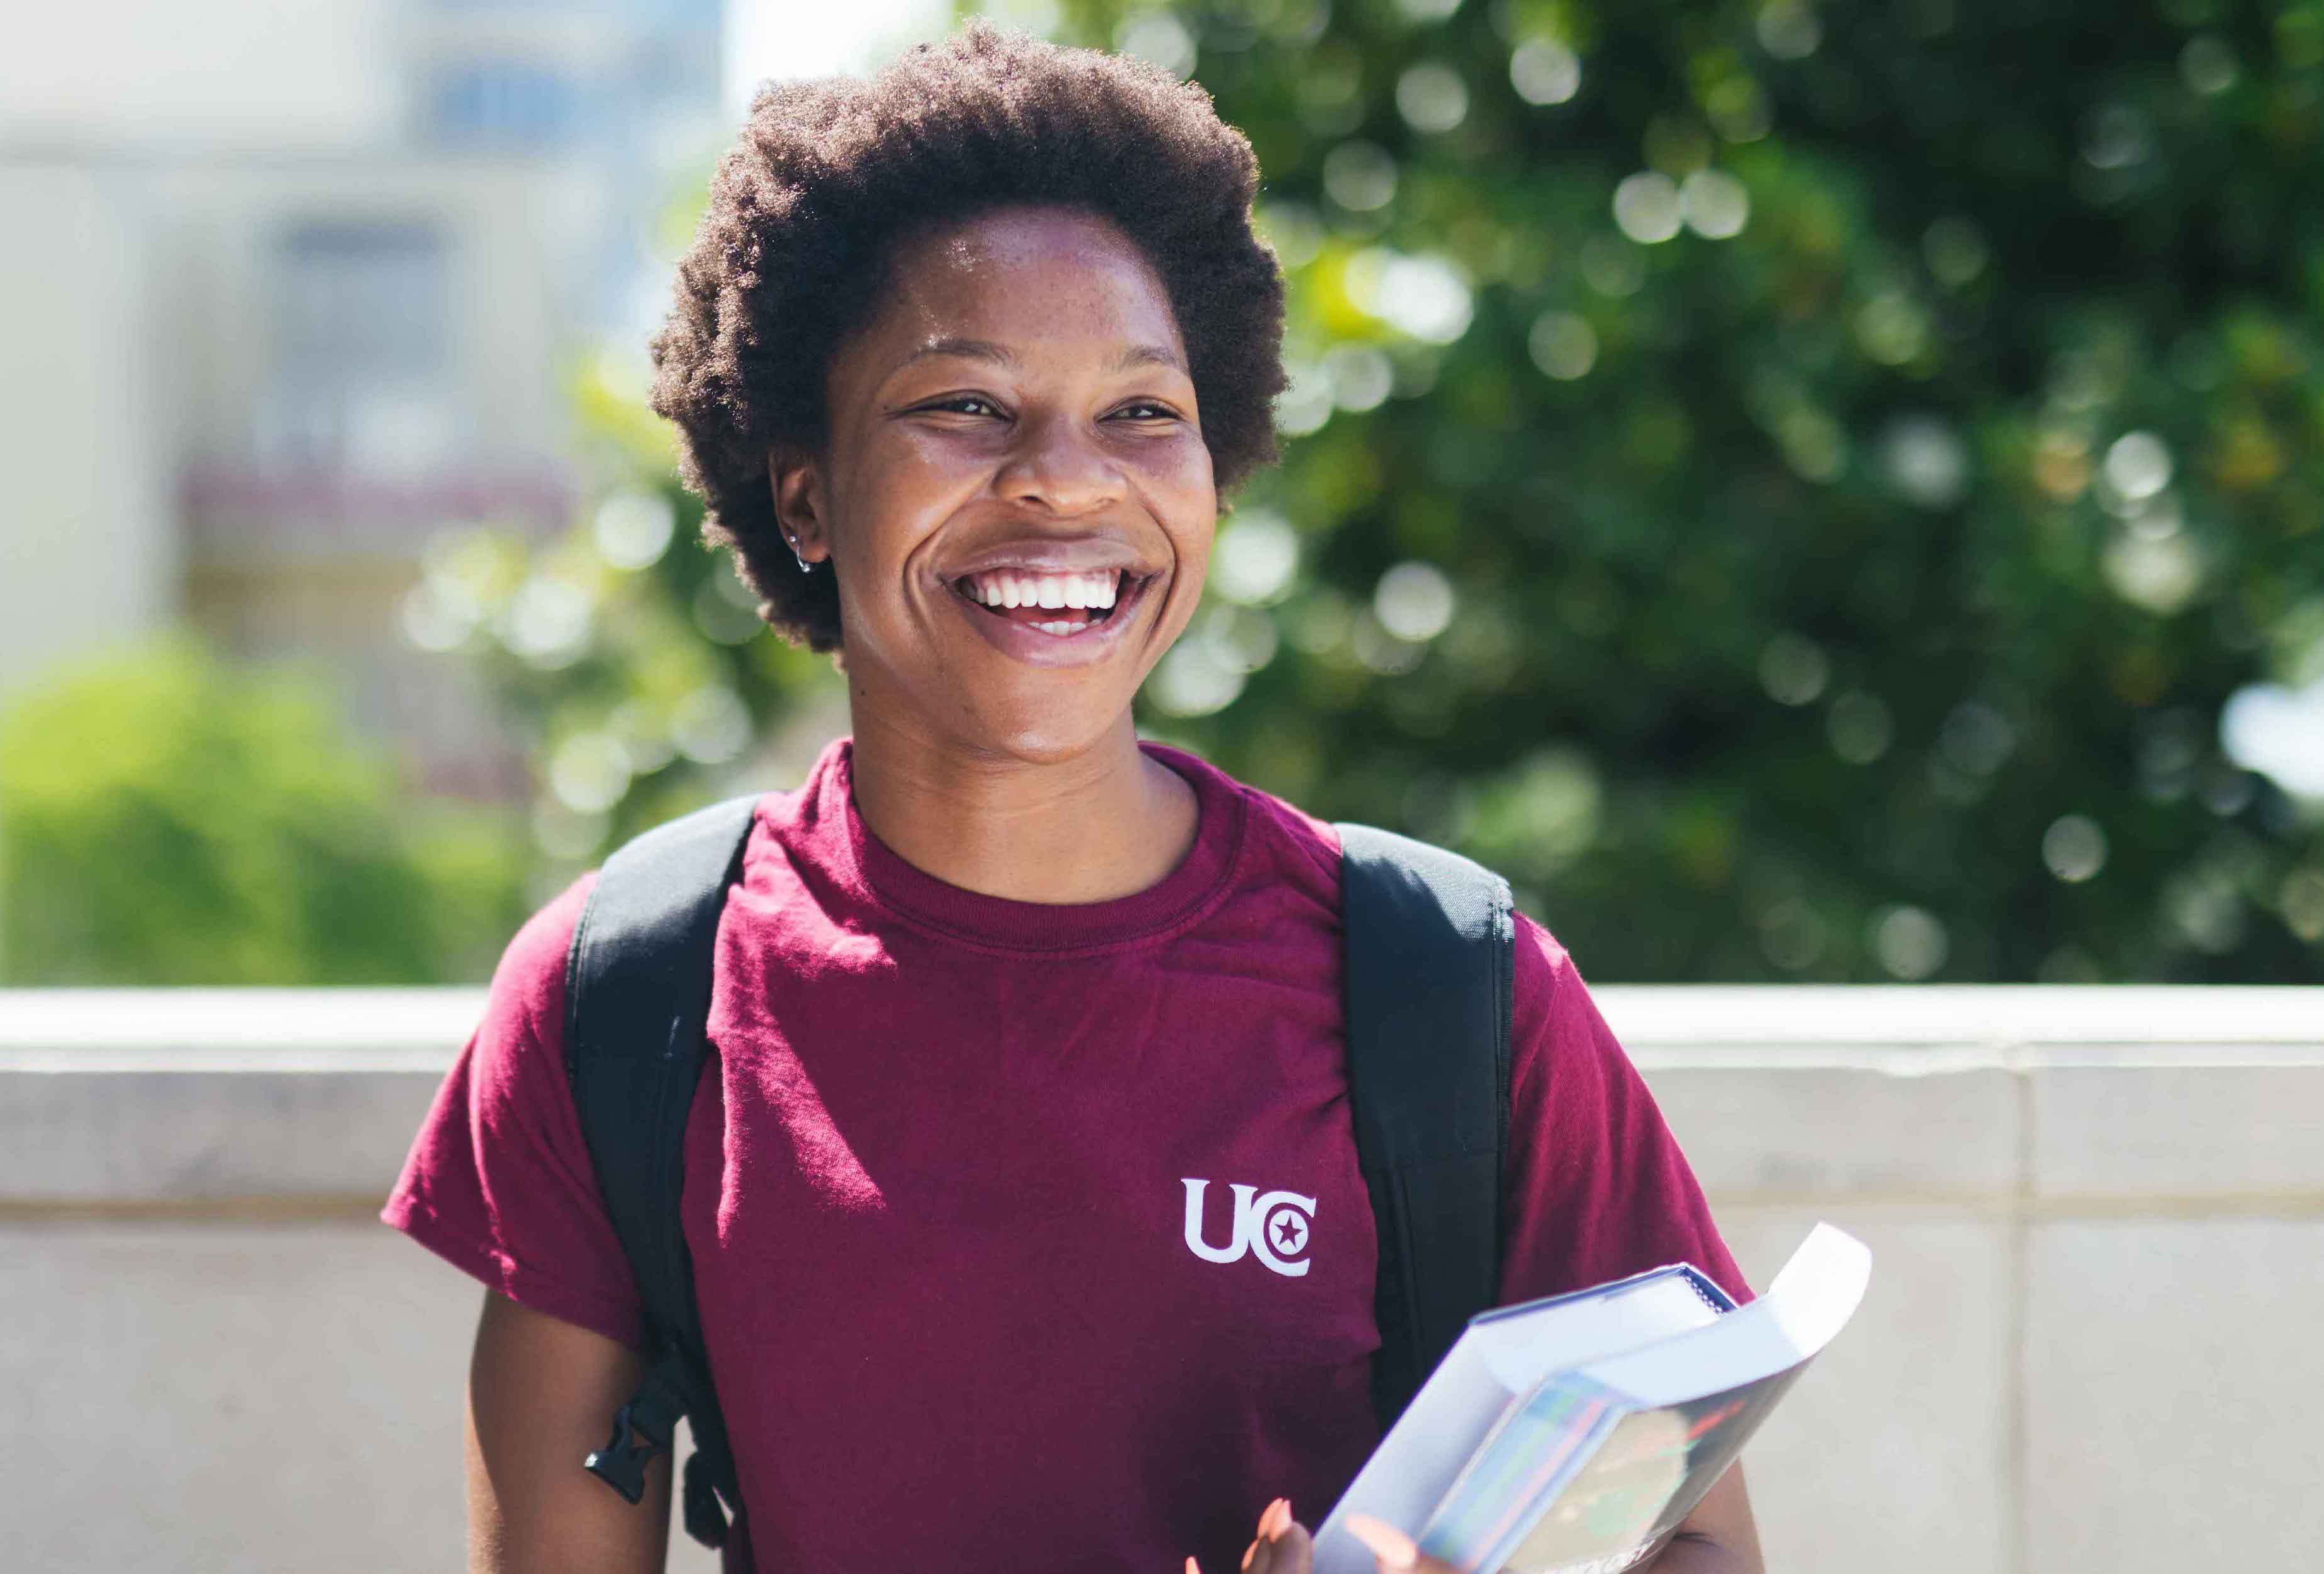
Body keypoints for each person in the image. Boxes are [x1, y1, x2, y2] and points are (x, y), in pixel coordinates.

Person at [383, 23, 1767, 1573]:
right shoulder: (624, 1001)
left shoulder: (1451, 990)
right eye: (963, 406)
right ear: (801, 493)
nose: (1064, 479)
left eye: (1139, 411)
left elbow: (1693, 1544)